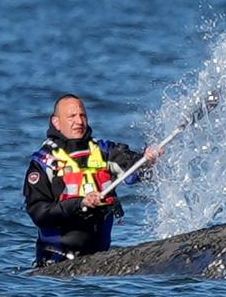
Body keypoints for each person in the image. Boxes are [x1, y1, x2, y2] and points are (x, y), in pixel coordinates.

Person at [24, 94, 163, 267]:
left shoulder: (105, 151)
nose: (79, 121)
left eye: (82, 115)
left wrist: (148, 159)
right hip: (55, 262)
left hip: (98, 260)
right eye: (71, 116)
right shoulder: (43, 163)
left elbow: (138, 170)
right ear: (56, 122)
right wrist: (79, 203)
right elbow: (39, 213)